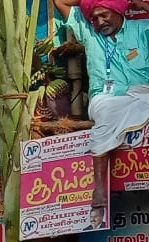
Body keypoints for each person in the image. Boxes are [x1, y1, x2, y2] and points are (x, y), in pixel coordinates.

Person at [53, 0, 149, 224]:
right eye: (94, 17)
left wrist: (138, 4)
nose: (99, 21)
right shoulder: (88, 30)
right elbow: (60, 1)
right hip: (106, 99)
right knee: (105, 115)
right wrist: (89, 1)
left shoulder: (141, 29)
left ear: (117, 10)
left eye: (104, 14)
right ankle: (98, 190)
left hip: (142, 93)